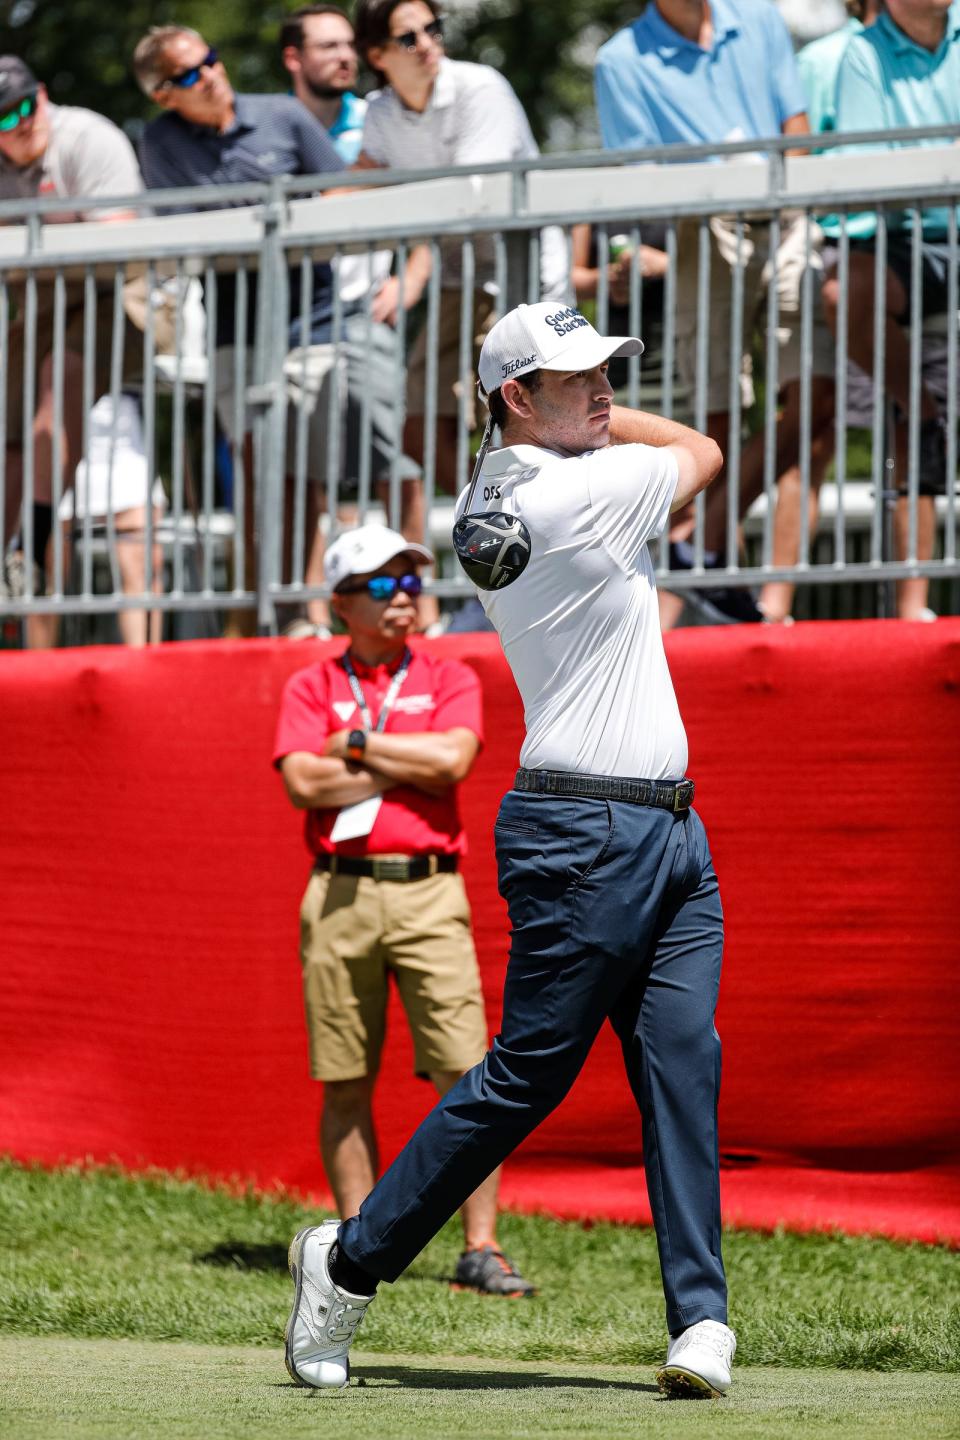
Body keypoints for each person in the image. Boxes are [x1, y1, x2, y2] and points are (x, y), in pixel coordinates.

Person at [284, 302, 736, 1399]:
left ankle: (700, 1321)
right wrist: (616, 428)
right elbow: (705, 453)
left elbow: (603, 452)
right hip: (585, 829)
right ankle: (345, 1264)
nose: (604, 392)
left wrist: (574, 419)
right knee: (526, 1079)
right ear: (515, 398)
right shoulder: (581, 491)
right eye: (576, 379)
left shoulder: (519, 485)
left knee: (684, 1064)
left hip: (673, 830)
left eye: (607, 374)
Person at [273, 521, 534, 1298]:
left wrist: (350, 746)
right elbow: (301, 786)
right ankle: (358, 1253)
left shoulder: (449, 675)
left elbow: (454, 760)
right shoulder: (307, 686)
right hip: (339, 890)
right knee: (344, 1075)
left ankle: (480, 1248)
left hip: (429, 889)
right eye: (383, 587)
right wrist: (397, 761)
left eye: (412, 584)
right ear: (340, 604)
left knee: (466, 1072)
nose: (404, 599)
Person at [595, 0, 837, 629]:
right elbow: (643, 180)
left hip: (788, 218)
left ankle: (725, 565)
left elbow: (797, 124)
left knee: (818, 401)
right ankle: (717, 574)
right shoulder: (619, 60)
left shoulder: (757, 18)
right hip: (704, 228)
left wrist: (781, 195)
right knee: (716, 423)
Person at [351, 0, 569, 628]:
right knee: (419, 419)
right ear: (378, 56)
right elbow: (361, 182)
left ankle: (542, 557)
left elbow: (471, 196)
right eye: (407, 35)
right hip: (460, 278)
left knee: (515, 431)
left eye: (431, 28)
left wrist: (381, 201)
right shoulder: (379, 113)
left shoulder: (481, 86)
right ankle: (505, 541)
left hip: (521, 283)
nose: (427, 42)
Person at [134, 26, 346, 635]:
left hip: (316, 317)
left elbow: (344, 189)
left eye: (212, 60)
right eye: (192, 72)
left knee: (304, 464)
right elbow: (186, 233)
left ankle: (302, 610)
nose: (213, 74)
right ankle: (261, 611)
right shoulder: (162, 141)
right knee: (257, 462)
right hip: (236, 326)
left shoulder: (283, 114)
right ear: (163, 94)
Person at [0, 56, 154, 648]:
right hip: (43, 303)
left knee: (57, 377)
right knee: (10, 427)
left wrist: (30, 243)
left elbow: (117, 243)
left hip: (120, 297)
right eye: (3, 118)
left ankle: (32, 545)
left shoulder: (89, 136)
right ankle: (16, 558)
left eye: (23, 108)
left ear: (41, 95)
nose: (18, 124)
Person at [821, 0, 960, 622]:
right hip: (902, 241)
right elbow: (870, 171)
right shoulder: (862, 51)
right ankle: (920, 404)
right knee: (843, 293)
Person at [759, 0, 883, 625]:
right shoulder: (824, 58)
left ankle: (777, 598)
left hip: (871, 255)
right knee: (814, 425)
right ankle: (775, 598)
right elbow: (798, 161)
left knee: (822, 426)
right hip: (821, 251)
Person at [280, 4, 367, 164]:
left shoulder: (375, 123)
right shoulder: (269, 132)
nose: (346, 56)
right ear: (292, 59)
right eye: (329, 46)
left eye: (351, 45)